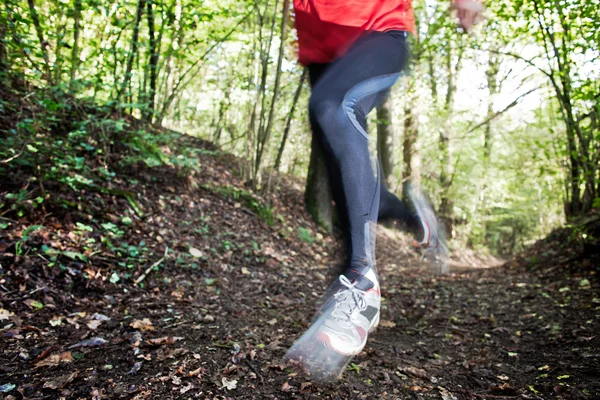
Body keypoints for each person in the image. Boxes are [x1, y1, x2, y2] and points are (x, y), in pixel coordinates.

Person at [292, 0, 484, 358]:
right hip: (320, 45)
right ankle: (413, 217)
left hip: (377, 30)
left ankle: (360, 285)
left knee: (334, 105)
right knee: (343, 187)